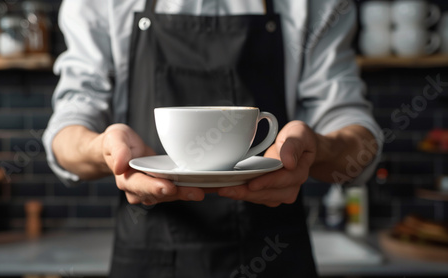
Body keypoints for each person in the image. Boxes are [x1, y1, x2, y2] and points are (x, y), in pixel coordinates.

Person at [43, 0, 382, 277]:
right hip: (149, 258)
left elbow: (358, 138)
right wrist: (102, 148)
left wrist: (317, 148)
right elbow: (66, 132)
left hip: (275, 256)